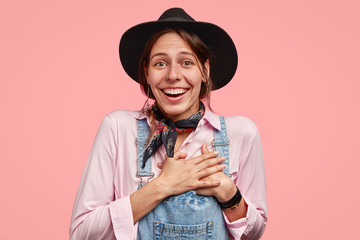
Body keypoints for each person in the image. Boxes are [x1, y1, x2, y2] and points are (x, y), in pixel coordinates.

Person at [70, 7, 267, 240]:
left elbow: (252, 235)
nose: (173, 75)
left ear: (204, 70)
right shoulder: (118, 128)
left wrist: (228, 193)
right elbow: (81, 234)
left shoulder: (241, 133)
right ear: (147, 72)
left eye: (186, 62)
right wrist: (162, 186)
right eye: (160, 64)